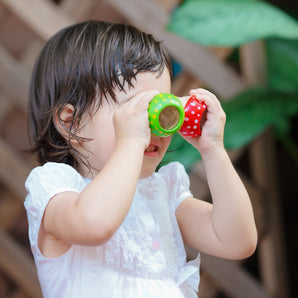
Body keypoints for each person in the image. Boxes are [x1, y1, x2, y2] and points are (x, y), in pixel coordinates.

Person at [24, 20, 257, 298]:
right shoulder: (56, 190)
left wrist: (213, 150)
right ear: (71, 122)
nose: (155, 126)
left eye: (162, 108)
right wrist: (131, 141)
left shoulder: (163, 194)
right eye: (137, 110)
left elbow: (236, 241)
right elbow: (95, 224)